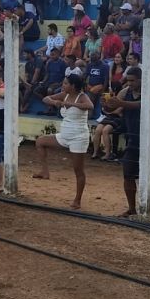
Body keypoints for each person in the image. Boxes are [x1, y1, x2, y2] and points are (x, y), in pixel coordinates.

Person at [105, 66, 150, 217]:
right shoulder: (125, 92)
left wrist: (119, 103)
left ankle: (145, 208)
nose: (130, 83)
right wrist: (107, 104)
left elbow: (142, 105)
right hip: (134, 138)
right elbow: (114, 110)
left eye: (133, 80)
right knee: (128, 174)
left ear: (140, 79)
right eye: (128, 80)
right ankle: (133, 208)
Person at [33, 74, 93, 209]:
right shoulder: (63, 94)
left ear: (73, 86)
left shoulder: (82, 96)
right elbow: (45, 98)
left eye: (65, 83)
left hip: (78, 137)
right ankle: (44, 171)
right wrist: (55, 102)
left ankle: (77, 200)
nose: (63, 85)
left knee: (78, 170)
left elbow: (90, 106)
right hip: (64, 135)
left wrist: (68, 104)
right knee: (40, 142)